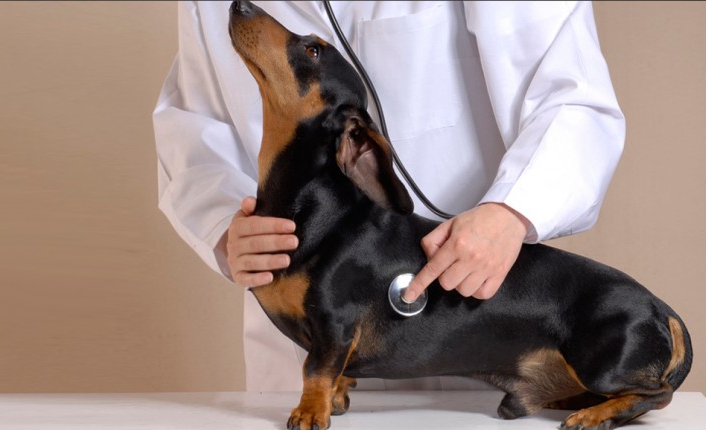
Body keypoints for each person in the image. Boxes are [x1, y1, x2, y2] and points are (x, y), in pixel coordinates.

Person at [153, 1, 624, 392]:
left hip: (474, 314)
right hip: (301, 347)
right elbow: (193, 128)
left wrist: (511, 210)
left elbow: (573, 94)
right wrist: (226, 225)